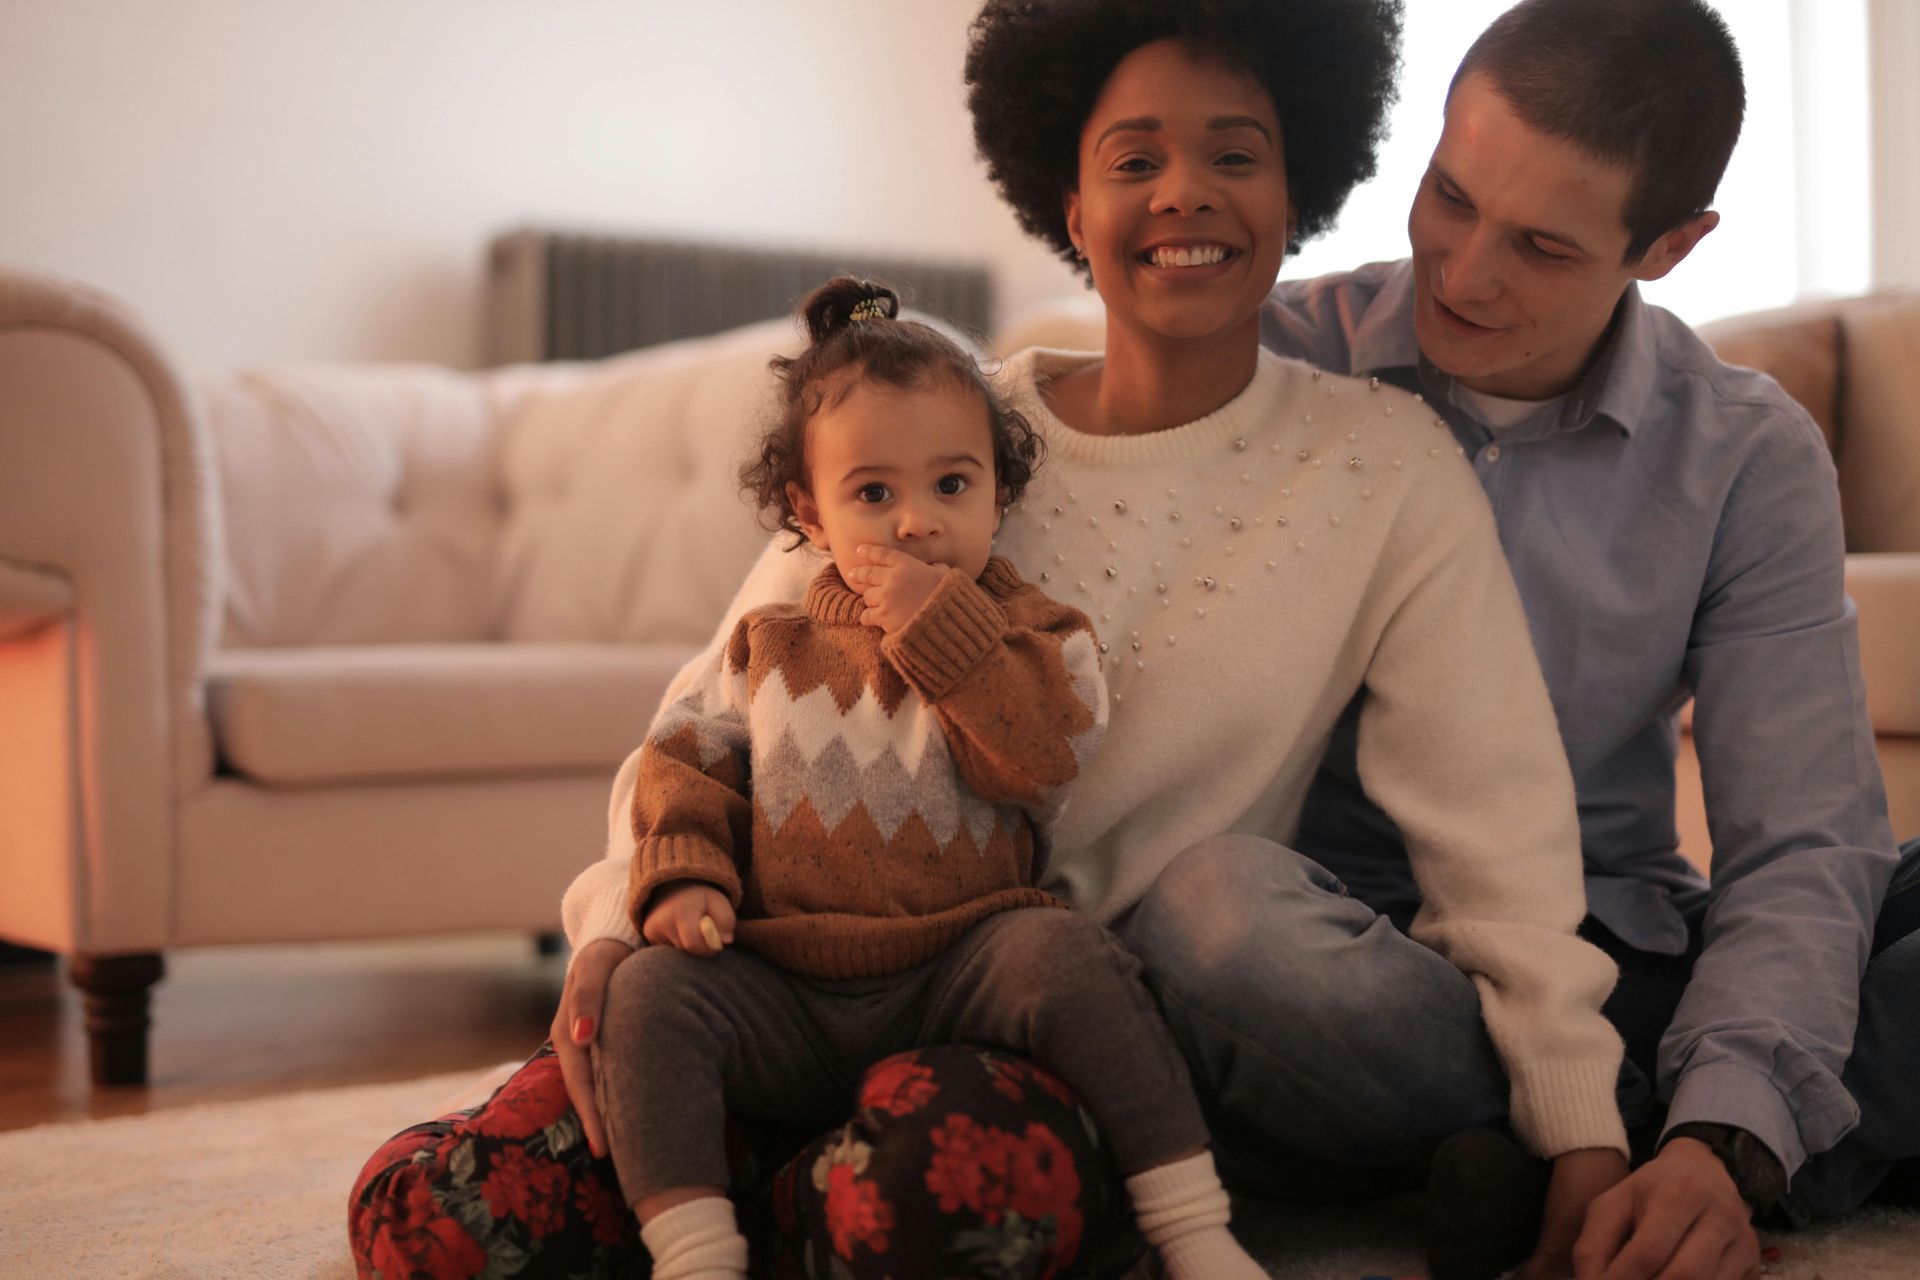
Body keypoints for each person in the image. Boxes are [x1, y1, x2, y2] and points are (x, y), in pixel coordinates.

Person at [350, 3, 1631, 1276]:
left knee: (935, 1206)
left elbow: (1495, 828)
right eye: (1134, 160)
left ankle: (773, 1196)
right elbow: (711, 708)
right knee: (443, 1225)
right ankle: (751, 1176)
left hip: (1052, 1024)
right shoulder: (935, 426)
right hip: (776, 978)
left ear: (1300, 187)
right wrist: (619, 929)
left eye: (1236, 155)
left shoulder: (1387, 466)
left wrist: (1580, 1131)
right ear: (1069, 208)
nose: (1185, 194)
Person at [1256, 1, 1920, 1277]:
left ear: (1668, 246)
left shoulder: (1744, 452)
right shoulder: (1278, 361)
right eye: (1449, 195)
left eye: (1543, 247)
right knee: (1222, 928)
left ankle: (1640, 1142)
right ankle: (1637, 1129)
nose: (1461, 273)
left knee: (1848, 906)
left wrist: (1721, 1124)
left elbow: (1802, 834)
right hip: (1350, 956)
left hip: (1621, 953)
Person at [586, 274, 1268, 1280]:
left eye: (952, 485)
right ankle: (696, 1252)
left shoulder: (1037, 635)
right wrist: (685, 876)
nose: (916, 522)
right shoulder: (769, 642)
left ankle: (1192, 1225)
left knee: (1070, 956)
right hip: (786, 976)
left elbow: (1040, 758)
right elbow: (685, 764)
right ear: (806, 511)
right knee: (650, 995)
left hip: (961, 963)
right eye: (873, 493)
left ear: (1001, 488)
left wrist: (937, 627)